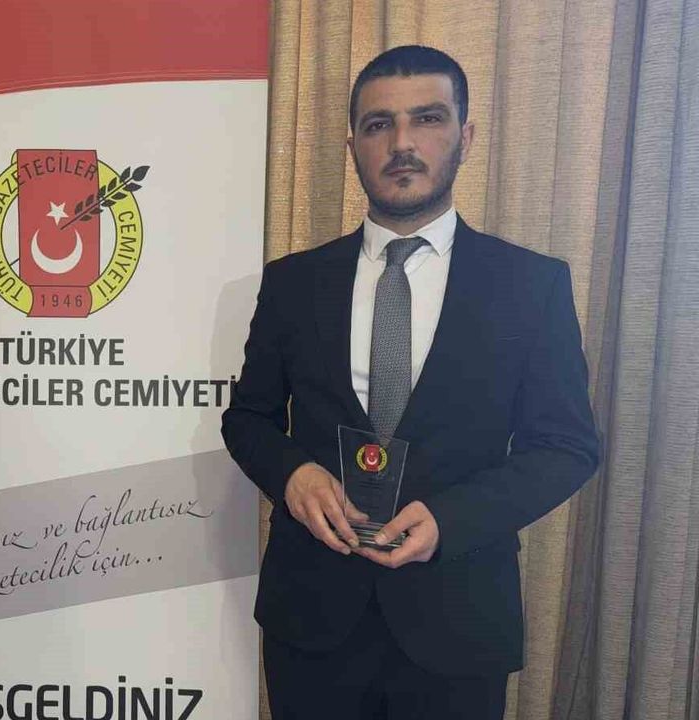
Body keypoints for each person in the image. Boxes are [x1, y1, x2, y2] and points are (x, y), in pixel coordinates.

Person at [222, 45, 598, 720]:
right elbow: (246, 418)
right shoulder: (293, 283)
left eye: (427, 118)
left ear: (465, 136)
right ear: (353, 147)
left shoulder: (531, 286)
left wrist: (451, 520)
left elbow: (565, 447)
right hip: (313, 617)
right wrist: (293, 475)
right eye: (378, 124)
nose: (401, 143)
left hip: (459, 619)